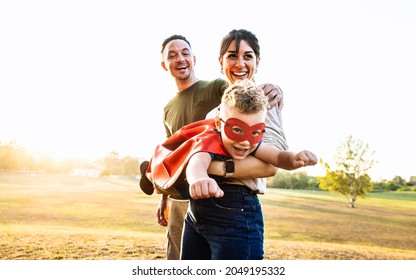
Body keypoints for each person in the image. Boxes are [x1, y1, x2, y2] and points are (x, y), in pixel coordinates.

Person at [140, 32, 284, 260]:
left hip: (230, 198)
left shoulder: (217, 88)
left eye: (185, 53)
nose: (180, 59)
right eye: (172, 55)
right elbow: (173, 147)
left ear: (194, 59)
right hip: (189, 196)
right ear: (163, 64)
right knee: (176, 257)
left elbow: (244, 91)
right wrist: (164, 195)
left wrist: (273, 88)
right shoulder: (174, 109)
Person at [149, 79, 317, 259]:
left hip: (238, 219)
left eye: (255, 132)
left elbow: (276, 157)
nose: (245, 141)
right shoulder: (209, 138)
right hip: (196, 219)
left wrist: (294, 158)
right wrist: (199, 179)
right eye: (237, 130)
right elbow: (197, 162)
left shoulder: (251, 142)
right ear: (220, 124)